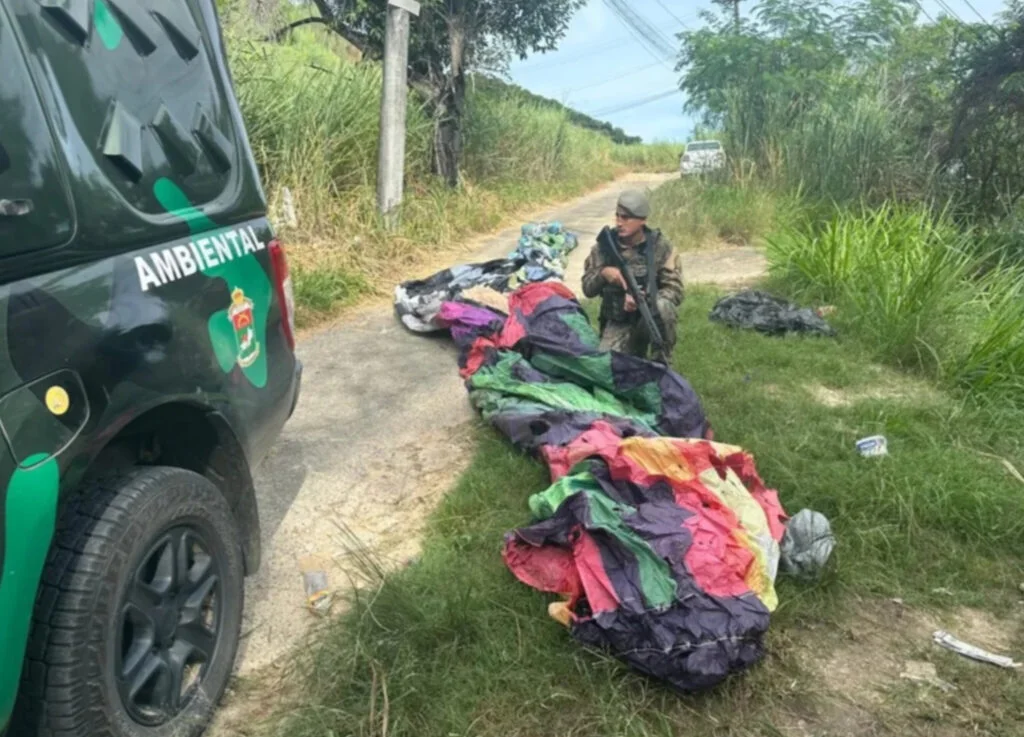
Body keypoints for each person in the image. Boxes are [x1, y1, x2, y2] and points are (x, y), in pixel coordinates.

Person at [581, 190, 684, 362]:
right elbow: (587, 289)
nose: (620, 222)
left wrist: (650, 300)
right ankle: (634, 351)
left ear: (642, 220)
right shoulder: (604, 247)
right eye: (618, 216)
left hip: (650, 317)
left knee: (664, 307)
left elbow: (675, 289)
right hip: (618, 321)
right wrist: (604, 274)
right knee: (607, 366)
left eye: (626, 218)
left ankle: (661, 359)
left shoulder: (660, 246)